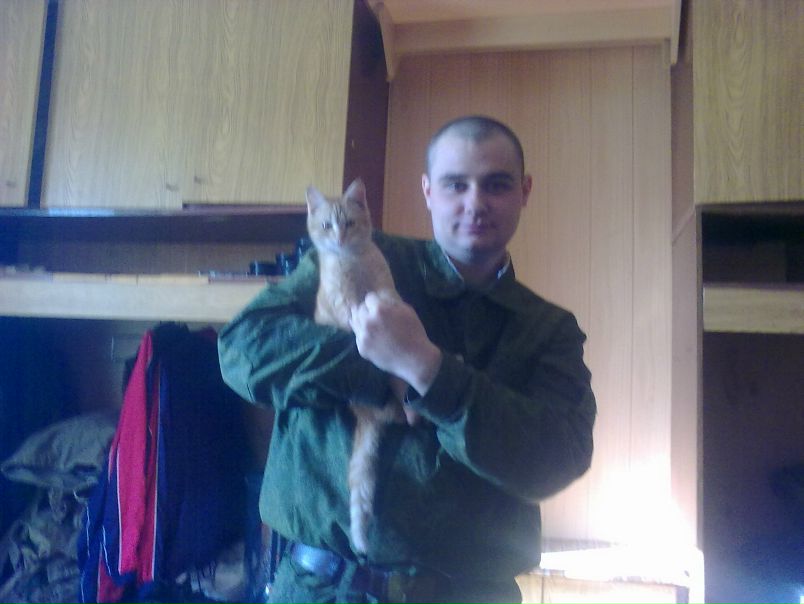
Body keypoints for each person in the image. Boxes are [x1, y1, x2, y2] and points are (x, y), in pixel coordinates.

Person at [218, 115, 596, 604]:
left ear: (524, 192)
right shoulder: (352, 252)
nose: (475, 202)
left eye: (497, 185)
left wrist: (428, 369)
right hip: (320, 589)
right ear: (428, 192)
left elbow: (557, 459)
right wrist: (382, 365)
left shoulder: (549, 330)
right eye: (455, 184)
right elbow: (243, 348)